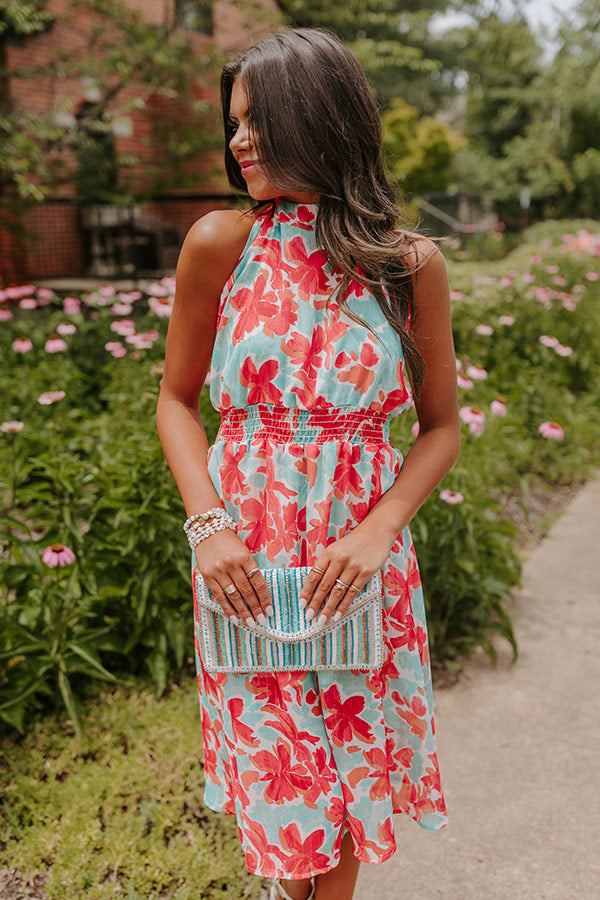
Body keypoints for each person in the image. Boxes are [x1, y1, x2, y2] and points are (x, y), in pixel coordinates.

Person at [156, 27, 460, 900]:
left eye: (256, 121)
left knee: (351, 775)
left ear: (318, 119)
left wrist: (379, 531)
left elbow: (441, 428)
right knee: (284, 789)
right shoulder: (219, 242)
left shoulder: (407, 265)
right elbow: (176, 401)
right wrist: (209, 528)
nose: (237, 141)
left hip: (354, 567)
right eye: (233, 123)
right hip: (244, 564)